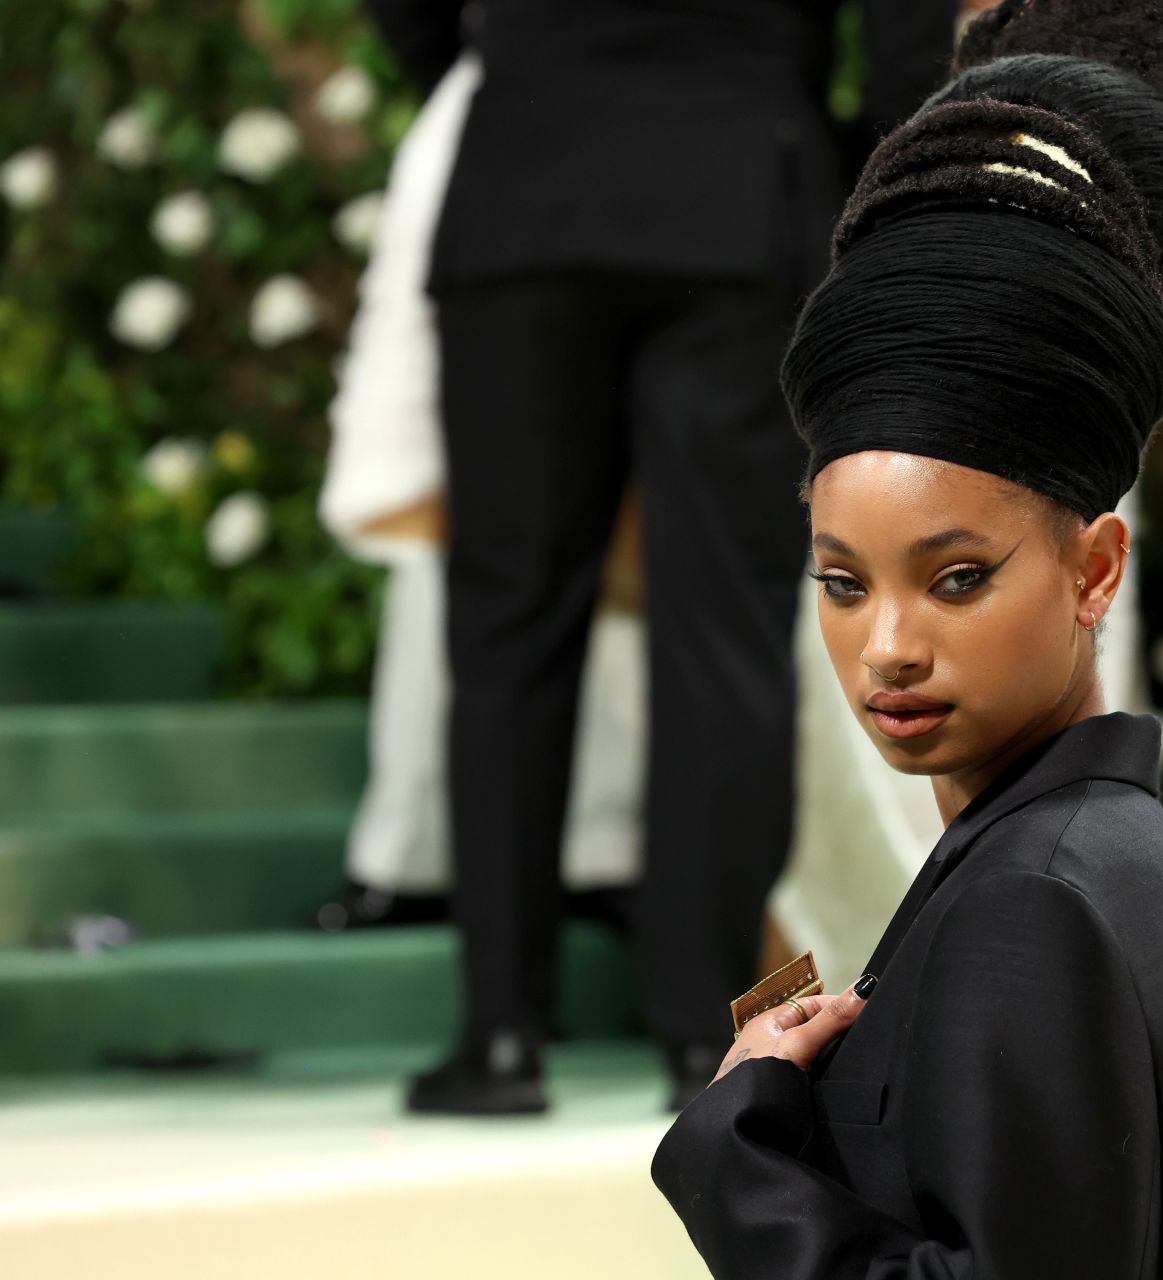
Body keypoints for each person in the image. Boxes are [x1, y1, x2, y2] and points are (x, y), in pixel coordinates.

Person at [649, 0, 1163, 1273]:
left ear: (1095, 565)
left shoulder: (1033, 895)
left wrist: (736, 1150)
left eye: (955, 578)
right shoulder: (1096, 851)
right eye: (842, 582)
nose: (887, 644)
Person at [363, 0, 958, 1117]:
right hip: (740, 178)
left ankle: (499, 1034)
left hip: (524, 180)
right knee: (722, 630)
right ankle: (708, 1042)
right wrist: (864, 156)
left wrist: (514, 71)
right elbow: (902, 26)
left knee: (505, 624)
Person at [316, 50, 645, 937]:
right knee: (470, 558)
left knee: (628, 567)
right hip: (511, 126)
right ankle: (409, 855)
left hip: (661, 132)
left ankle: (603, 848)